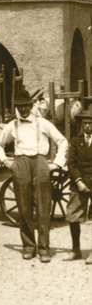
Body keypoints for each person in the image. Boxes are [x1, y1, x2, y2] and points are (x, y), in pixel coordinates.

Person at [0, 88, 68, 262]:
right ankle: (28, 246)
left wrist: (56, 163)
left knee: (43, 208)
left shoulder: (43, 123)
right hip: (20, 164)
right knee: (24, 208)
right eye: (20, 107)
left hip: (40, 162)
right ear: (17, 108)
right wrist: (7, 162)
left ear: (31, 105)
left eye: (26, 106)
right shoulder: (12, 125)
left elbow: (62, 141)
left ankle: (43, 249)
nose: (24, 110)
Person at [65, 107, 92, 263]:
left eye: (90, 123)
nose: (87, 126)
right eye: (85, 124)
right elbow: (71, 164)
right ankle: (76, 250)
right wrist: (79, 181)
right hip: (79, 184)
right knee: (73, 217)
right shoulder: (76, 141)